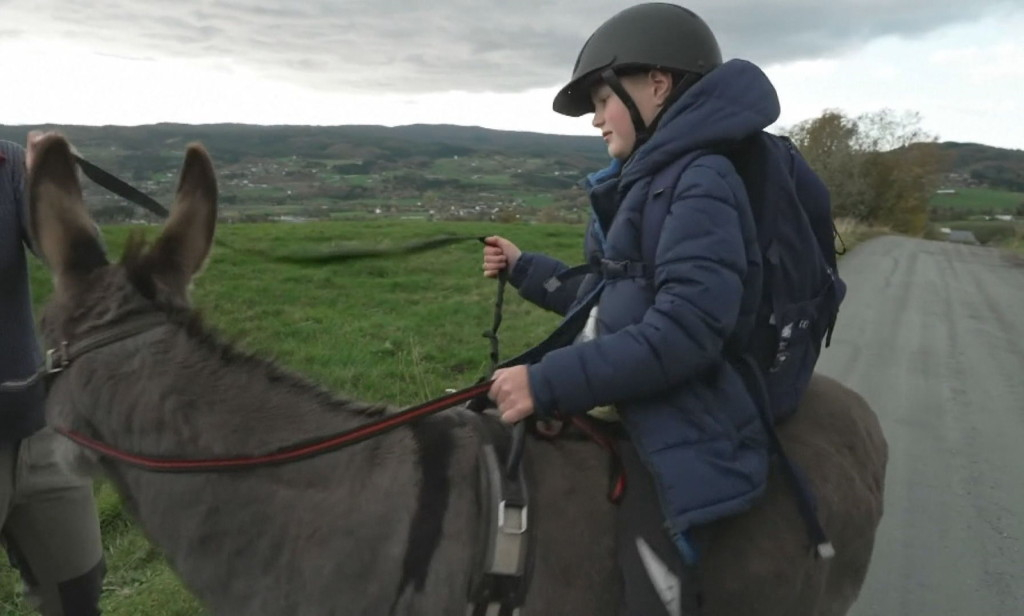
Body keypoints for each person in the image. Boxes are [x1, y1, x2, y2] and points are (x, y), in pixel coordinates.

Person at [484, 3, 786, 614]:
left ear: (657, 83)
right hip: (625, 381)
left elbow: (685, 331)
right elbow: (611, 299)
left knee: (650, 588)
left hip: (685, 404)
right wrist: (524, 269)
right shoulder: (647, 179)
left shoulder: (700, 181)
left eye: (602, 99)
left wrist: (547, 381)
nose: (596, 119)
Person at [1, 133, 106, 615]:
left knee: (77, 592)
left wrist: (56, 187)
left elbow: (81, 268)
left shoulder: (5, 165)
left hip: (36, 430)